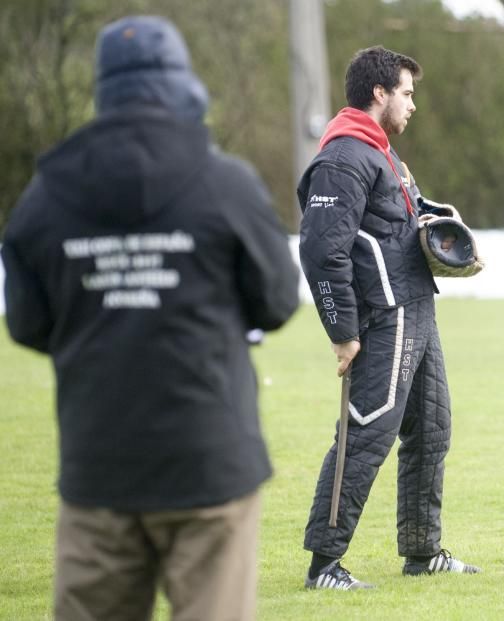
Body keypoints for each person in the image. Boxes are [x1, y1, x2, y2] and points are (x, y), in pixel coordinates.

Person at [1, 15, 300, 620]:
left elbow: (28, 323)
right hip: (210, 464)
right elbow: (276, 298)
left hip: (99, 468)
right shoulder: (226, 183)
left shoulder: (48, 195)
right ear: (179, 83)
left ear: (103, 89)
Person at [297, 46, 480, 590]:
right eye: (407, 93)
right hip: (387, 316)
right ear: (379, 93)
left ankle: (423, 553)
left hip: (417, 310)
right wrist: (343, 334)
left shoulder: (383, 155)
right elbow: (320, 252)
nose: (412, 105)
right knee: (368, 433)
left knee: (431, 430)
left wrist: (442, 227)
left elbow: (396, 224)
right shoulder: (343, 158)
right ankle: (324, 565)